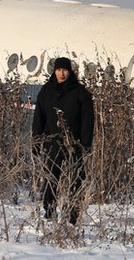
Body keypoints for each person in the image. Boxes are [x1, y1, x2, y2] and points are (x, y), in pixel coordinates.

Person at [32, 57, 94, 224]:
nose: (61, 73)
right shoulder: (46, 91)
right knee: (52, 178)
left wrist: (85, 144)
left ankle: (73, 214)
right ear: (54, 71)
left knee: (77, 178)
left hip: (74, 143)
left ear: (70, 71)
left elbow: (88, 120)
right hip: (52, 142)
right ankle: (49, 212)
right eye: (58, 70)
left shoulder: (81, 92)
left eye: (64, 70)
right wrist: (36, 142)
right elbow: (39, 118)